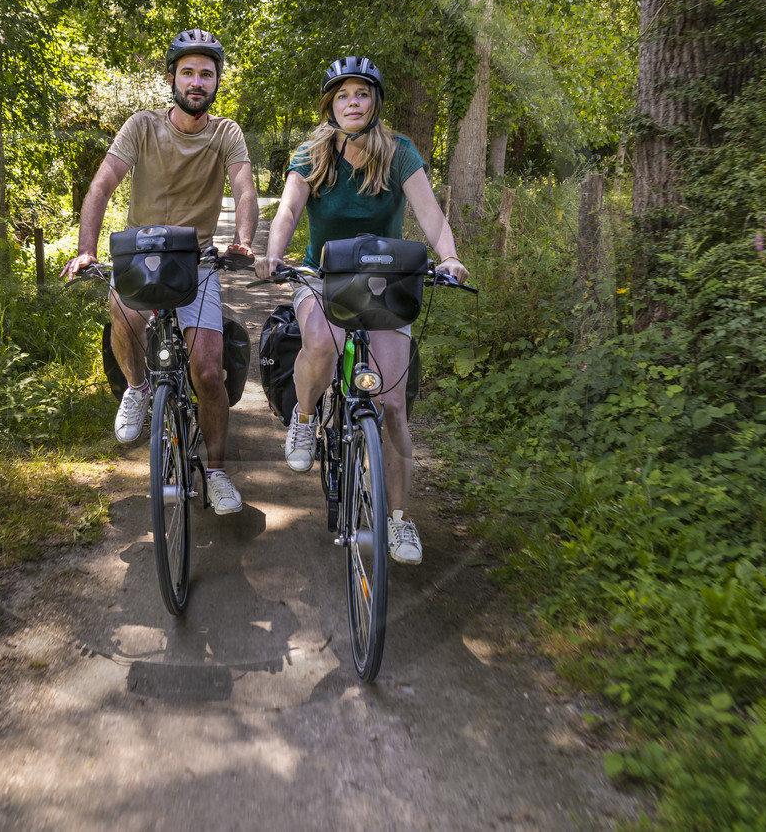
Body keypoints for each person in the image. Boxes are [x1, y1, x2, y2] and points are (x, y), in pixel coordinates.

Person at [256, 56, 467, 563]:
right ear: (331, 104)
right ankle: (305, 417)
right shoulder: (312, 153)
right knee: (323, 342)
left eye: (363, 94)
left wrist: (451, 256)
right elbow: (288, 208)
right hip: (324, 278)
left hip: (384, 284)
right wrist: (271, 253)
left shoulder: (399, 152)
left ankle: (398, 521)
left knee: (393, 407)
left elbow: (429, 213)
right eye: (343, 95)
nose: (353, 102)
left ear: (374, 104)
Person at [63, 29, 259, 514]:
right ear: (172, 77)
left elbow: (244, 187)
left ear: (216, 83)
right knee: (121, 309)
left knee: (209, 372)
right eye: (188, 72)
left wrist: (245, 241)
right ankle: (137, 388)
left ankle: (215, 471)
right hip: (142, 257)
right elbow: (102, 185)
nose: (197, 82)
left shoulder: (225, 133)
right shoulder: (142, 127)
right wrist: (87, 249)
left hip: (197, 261)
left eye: (207, 74)